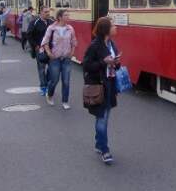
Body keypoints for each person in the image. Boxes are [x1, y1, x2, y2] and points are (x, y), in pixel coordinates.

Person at [83, 17, 120, 164]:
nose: (116, 27)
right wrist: (103, 62)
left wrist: (116, 62)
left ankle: (99, 143)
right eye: (113, 25)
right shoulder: (95, 45)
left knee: (105, 116)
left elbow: (115, 65)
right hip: (99, 85)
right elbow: (86, 65)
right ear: (106, 29)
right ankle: (105, 150)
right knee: (102, 117)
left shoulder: (111, 43)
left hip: (110, 84)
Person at [42, 9, 77, 109]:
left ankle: (65, 101)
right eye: (66, 15)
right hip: (55, 58)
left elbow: (74, 41)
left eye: (68, 15)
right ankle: (49, 94)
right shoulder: (52, 28)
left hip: (66, 58)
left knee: (66, 81)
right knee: (54, 80)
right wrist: (49, 53)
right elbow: (45, 42)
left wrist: (72, 53)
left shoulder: (70, 28)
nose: (68, 16)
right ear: (60, 17)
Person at [27, 6, 53, 96]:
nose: (48, 14)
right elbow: (29, 35)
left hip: (50, 50)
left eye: (48, 12)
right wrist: (35, 46)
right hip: (40, 50)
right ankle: (43, 87)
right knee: (41, 69)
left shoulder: (51, 22)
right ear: (41, 12)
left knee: (52, 69)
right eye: (46, 12)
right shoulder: (34, 22)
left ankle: (48, 84)